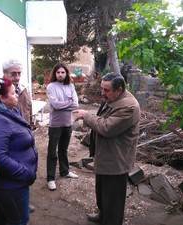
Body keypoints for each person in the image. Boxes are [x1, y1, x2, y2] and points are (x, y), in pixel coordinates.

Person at [73, 73, 140, 225]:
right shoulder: (113, 98)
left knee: (113, 200)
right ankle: (102, 215)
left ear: (119, 89)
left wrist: (86, 116)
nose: (102, 93)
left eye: (106, 90)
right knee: (102, 193)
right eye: (102, 88)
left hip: (116, 160)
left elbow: (106, 127)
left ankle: (111, 220)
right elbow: (102, 118)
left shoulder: (129, 106)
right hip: (106, 156)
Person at [0, 78, 38, 225]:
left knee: (4, 215)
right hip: (9, 185)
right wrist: (25, 174)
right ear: (1, 98)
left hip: (13, 182)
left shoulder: (9, 111)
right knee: (19, 220)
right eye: (13, 93)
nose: (17, 95)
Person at [46, 62, 79, 191]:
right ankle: (50, 178)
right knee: (52, 151)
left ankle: (65, 171)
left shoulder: (71, 86)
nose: (60, 74)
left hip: (68, 123)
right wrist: (68, 103)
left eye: (63, 72)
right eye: (58, 72)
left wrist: (62, 104)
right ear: (55, 73)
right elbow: (55, 105)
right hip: (55, 124)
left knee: (63, 150)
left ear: (66, 74)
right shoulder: (51, 86)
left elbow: (75, 104)